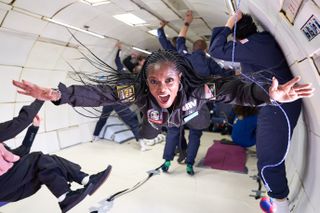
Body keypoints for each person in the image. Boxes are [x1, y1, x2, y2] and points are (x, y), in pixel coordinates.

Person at [13, 50, 313, 187]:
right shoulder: (140, 92)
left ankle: (188, 158)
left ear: (180, 78)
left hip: (190, 116)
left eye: (169, 81)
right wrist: (57, 94)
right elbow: (102, 94)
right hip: (159, 122)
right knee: (152, 132)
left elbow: (234, 91)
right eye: (155, 82)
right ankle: (161, 147)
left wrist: (269, 96)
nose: (162, 89)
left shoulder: (200, 89)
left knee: (190, 130)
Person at [209, 11, 304, 212]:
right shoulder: (258, 44)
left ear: (237, 37)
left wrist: (229, 21)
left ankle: (281, 205)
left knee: (268, 163)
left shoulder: (255, 46)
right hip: (272, 104)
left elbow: (216, 49)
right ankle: (277, 197)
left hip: (280, 106)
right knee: (267, 155)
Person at [0, 101, 112, 213]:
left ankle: (86, 180)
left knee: (50, 161)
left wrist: (34, 128)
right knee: (37, 158)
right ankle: (64, 197)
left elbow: (21, 152)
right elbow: (20, 122)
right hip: (4, 187)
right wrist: (40, 98)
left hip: (13, 187)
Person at [93, 42, 148, 151]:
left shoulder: (128, 74)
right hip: (118, 101)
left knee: (103, 117)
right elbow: (119, 61)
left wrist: (120, 50)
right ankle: (142, 144)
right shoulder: (132, 77)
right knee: (132, 121)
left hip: (110, 99)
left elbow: (118, 61)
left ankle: (95, 136)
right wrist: (120, 50)